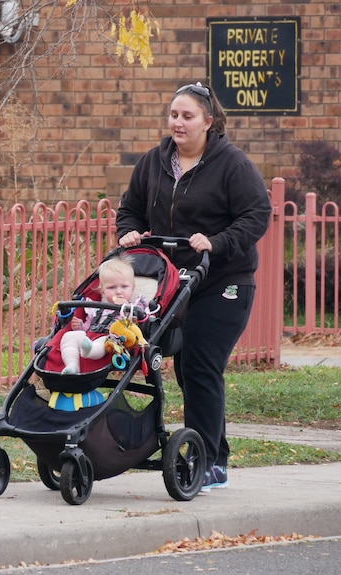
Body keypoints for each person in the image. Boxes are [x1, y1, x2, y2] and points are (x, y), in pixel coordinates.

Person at [115, 82, 272, 492]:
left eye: (187, 116)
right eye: (174, 115)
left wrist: (217, 243)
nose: (178, 123)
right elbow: (130, 208)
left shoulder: (232, 165)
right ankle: (212, 449)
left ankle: (211, 462)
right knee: (186, 369)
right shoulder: (154, 162)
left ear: (209, 121)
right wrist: (130, 233)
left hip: (223, 281)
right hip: (172, 282)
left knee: (200, 363)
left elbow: (257, 214)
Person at [59, 255, 146, 375]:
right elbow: (90, 326)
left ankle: (88, 351)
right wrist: (80, 326)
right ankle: (72, 365)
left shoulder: (134, 307)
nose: (119, 291)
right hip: (90, 336)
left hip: (111, 341)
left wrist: (127, 309)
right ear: (102, 291)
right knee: (69, 336)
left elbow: (137, 324)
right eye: (112, 287)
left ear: (133, 288)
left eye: (124, 287)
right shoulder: (96, 308)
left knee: (101, 341)